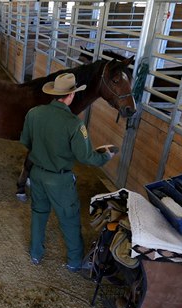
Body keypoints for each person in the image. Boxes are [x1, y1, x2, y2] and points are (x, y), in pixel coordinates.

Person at [19, 73, 117, 272]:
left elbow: (26, 142)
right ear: (71, 95)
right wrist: (105, 156)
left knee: (39, 213)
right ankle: (73, 261)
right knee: (69, 219)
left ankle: (36, 254)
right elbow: (86, 157)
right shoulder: (74, 124)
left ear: (55, 94)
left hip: (37, 173)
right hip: (59, 179)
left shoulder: (34, 113)